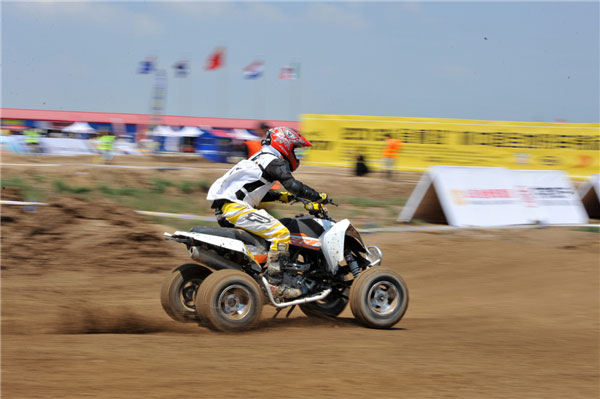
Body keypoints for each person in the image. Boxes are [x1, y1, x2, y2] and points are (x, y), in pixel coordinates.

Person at [207, 127, 328, 299]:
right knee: (281, 233)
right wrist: (318, 197)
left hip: (227, 208)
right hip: (236, 209)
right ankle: (275, 283)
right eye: (295, 150)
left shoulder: (259, 158)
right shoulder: (274, 161)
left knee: (266, 238)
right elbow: (294, 185)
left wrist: (280, 197)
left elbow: (251, 190)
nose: (296, 155)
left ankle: (259, 275)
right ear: (284, 145)